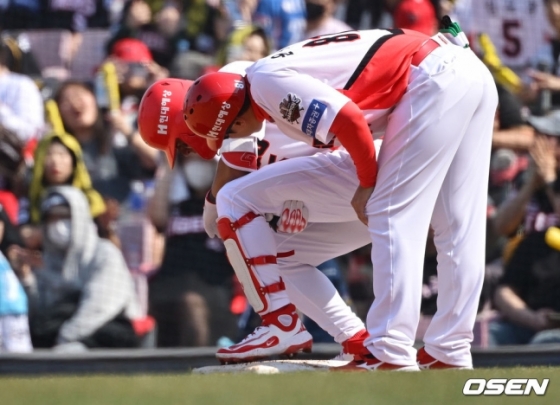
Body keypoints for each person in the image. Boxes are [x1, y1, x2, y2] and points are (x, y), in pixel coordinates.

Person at [183, 26, 498, 370]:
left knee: (392, 212)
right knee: (458, 224)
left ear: (231, 122)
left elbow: (348, 120)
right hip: (462, 69)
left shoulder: (265, 84)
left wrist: (367, 182)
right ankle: (449, 349)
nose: (229, 141)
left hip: (432, 77)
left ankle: (389, 349)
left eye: (225, 134)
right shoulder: (265, 81)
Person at [138, 76, 374, 363]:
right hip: (349, 186)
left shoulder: (231, 85)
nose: (187, 152)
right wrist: (295, 210)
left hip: (366, 164)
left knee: (231, 200)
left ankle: (280, 323)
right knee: (279, 254)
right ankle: (357, 341)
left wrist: (212, 202)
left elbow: (233, 180)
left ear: (188, 115)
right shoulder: (229, 130)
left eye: (180, 144)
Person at [13, 186, 143, 350]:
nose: (58, 225)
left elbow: (100, 307)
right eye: (52, 219)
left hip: (106, 331)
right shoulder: (48, 260)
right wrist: (27, 279)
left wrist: (64, 339)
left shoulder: (105, 253)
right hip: (63, 336)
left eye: (64, 217)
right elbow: (42, 312)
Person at [490, 229, 560, 346]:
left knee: (545, 341)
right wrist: (533, 319)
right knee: (489, 336)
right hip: (527, 324)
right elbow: (504, 291)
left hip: (551, 337)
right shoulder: (536, 241)